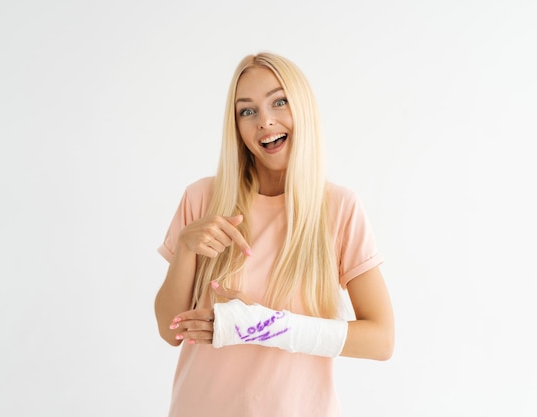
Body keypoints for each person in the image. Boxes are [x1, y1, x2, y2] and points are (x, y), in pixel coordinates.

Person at [154, 51, 395, 417]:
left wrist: (263, 326)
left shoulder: (338, 208)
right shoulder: (203, 198)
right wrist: (187, 247)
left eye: (279, 102)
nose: (265, 122)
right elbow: (169, 331)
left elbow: (382, 340)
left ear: (302, 108)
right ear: (235, 126)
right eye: (247, 111)